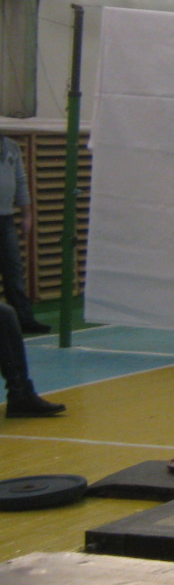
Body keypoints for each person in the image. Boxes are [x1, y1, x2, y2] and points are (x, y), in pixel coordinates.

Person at [1, 134, 64, 418]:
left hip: (4, 216)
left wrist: (26, 212)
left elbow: (20, 181)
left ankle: (20, 395)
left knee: (6, 315)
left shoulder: (10, 147)